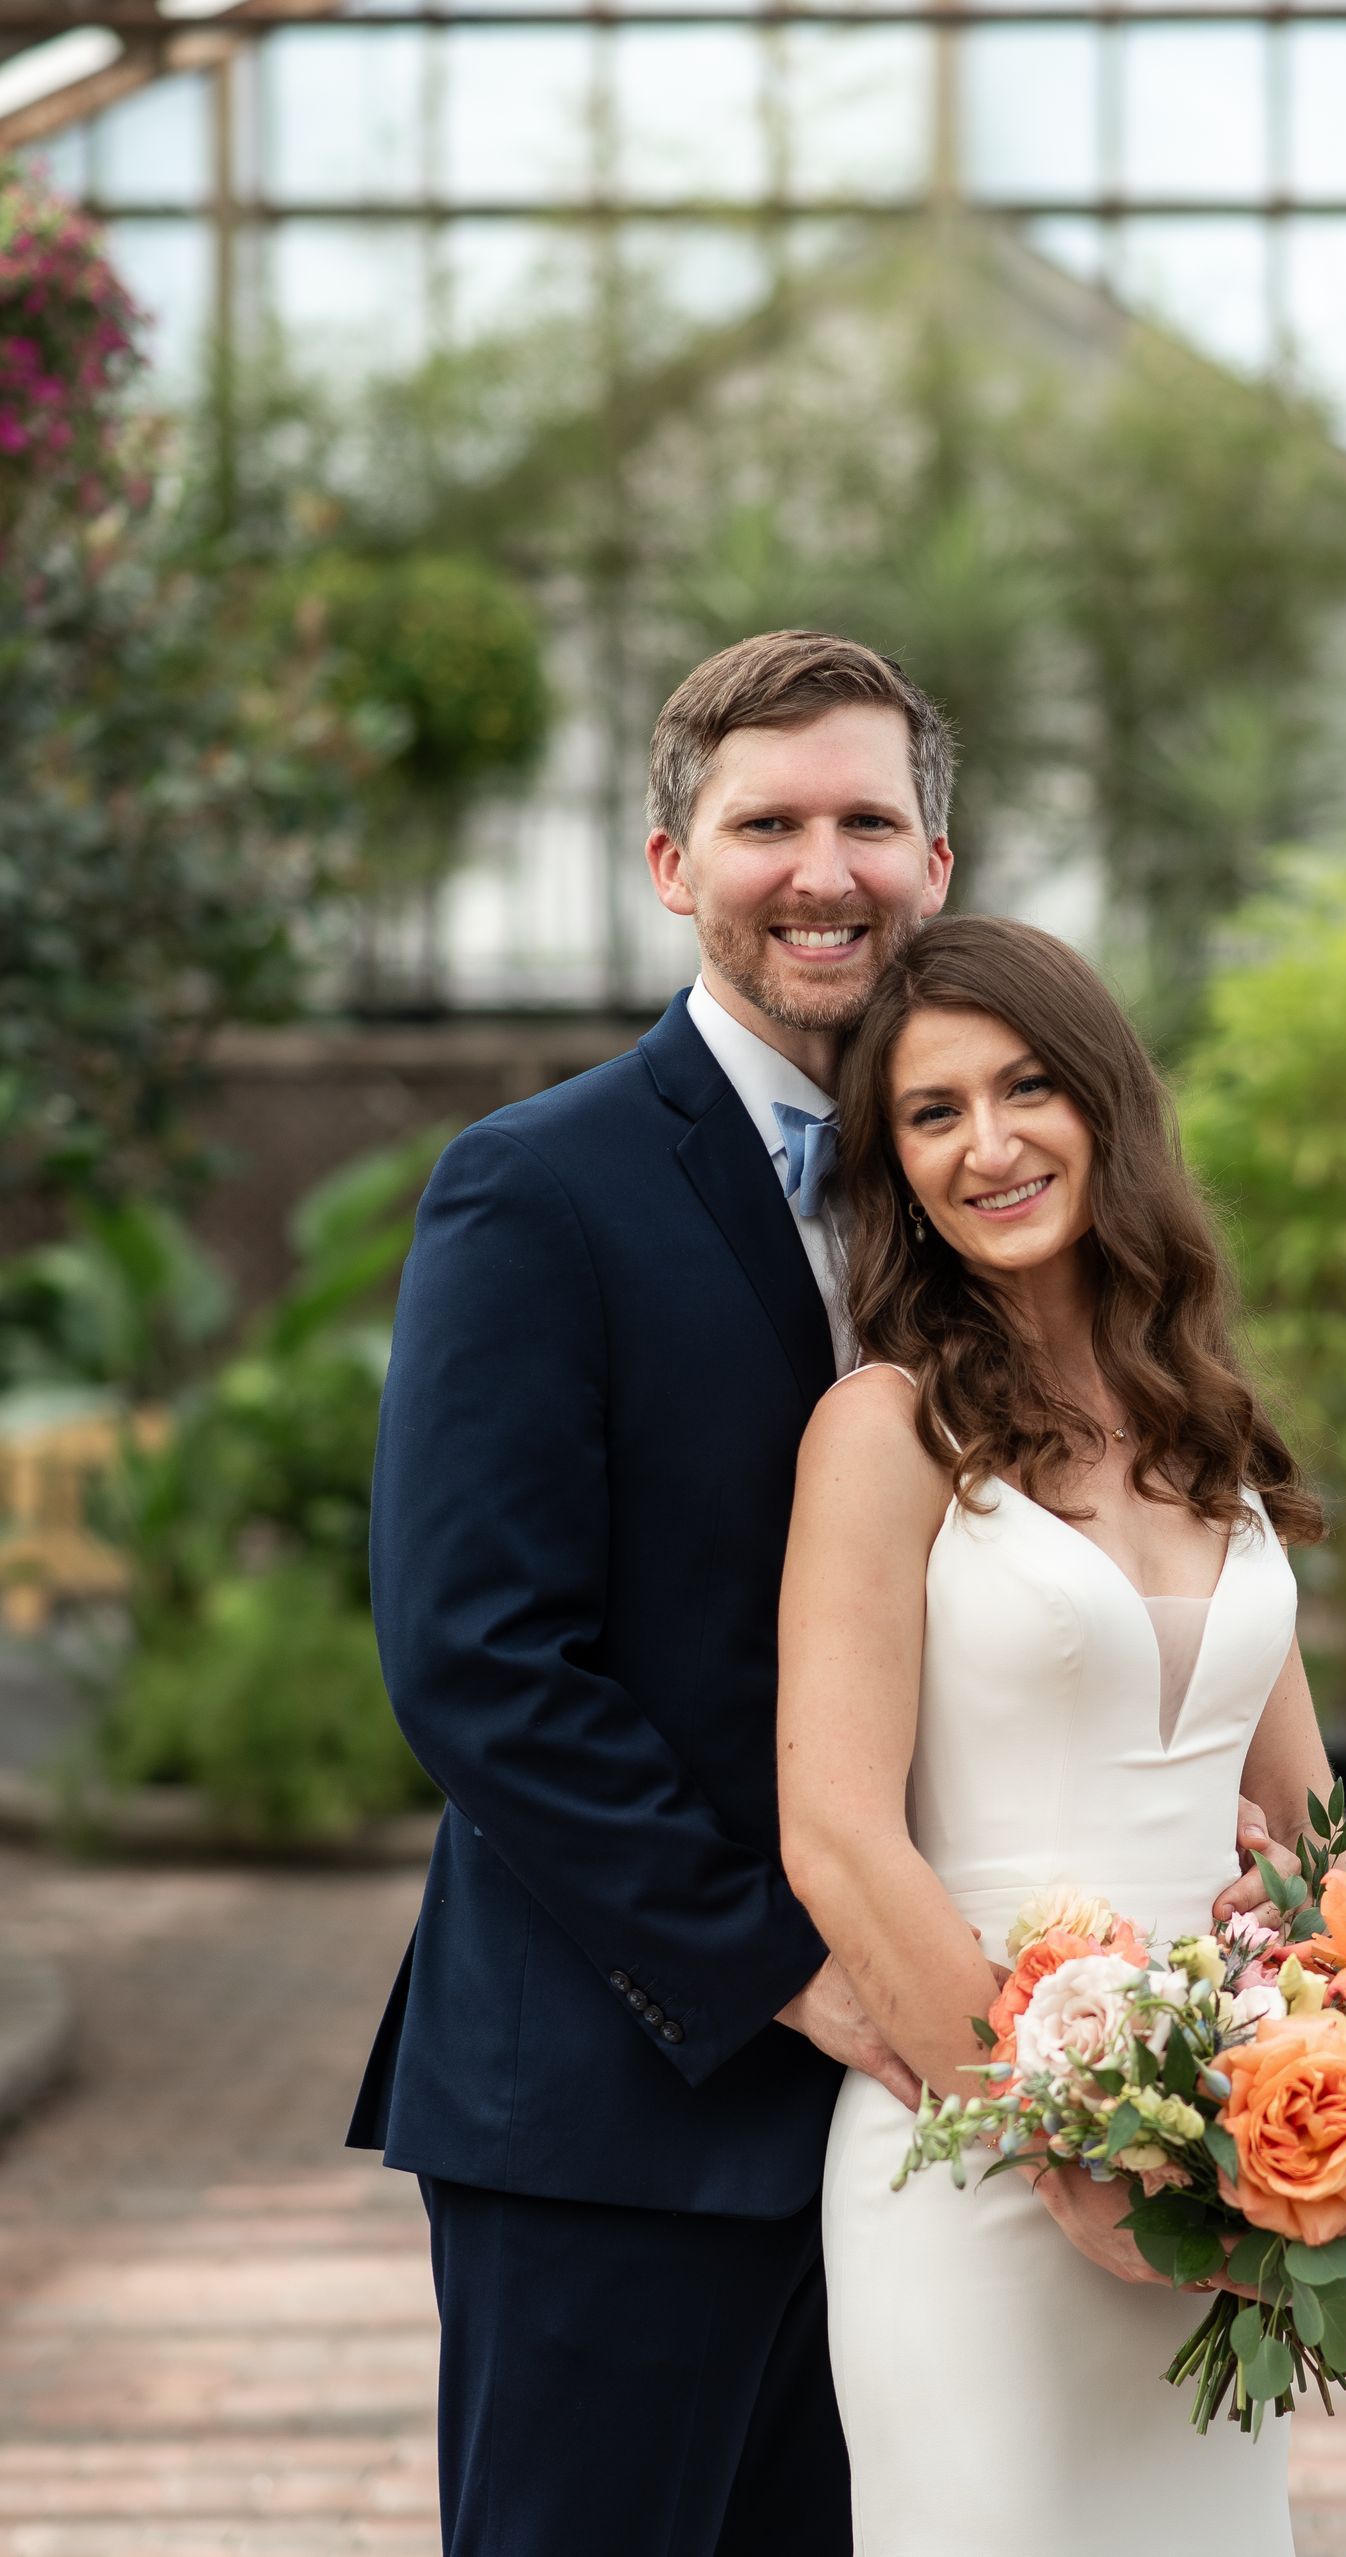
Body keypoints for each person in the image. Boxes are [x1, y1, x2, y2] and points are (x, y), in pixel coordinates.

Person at [346, 631, 959, 2557]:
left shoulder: (980, 1195)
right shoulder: (536, 1187)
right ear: (671, 865)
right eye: (766, 821)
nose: (824, 868)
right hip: (619, 2108)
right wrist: (787, 1965)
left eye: (870, 819)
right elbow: (480, 1660)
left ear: (937, 866)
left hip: (920, 2129)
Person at [777, 915, 1334, 2550]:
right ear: (894, 1164)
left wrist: (1318, 2052)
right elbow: (838, 1834)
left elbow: (1303, 1823)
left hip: (1220, 2158)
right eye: (933, 1113)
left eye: (1026, 1087)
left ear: (1106, 1104)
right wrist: (1069, 2161)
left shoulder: (1207, 1426)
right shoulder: (885, 1431)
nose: (990, 1143)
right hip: (980, 2170)